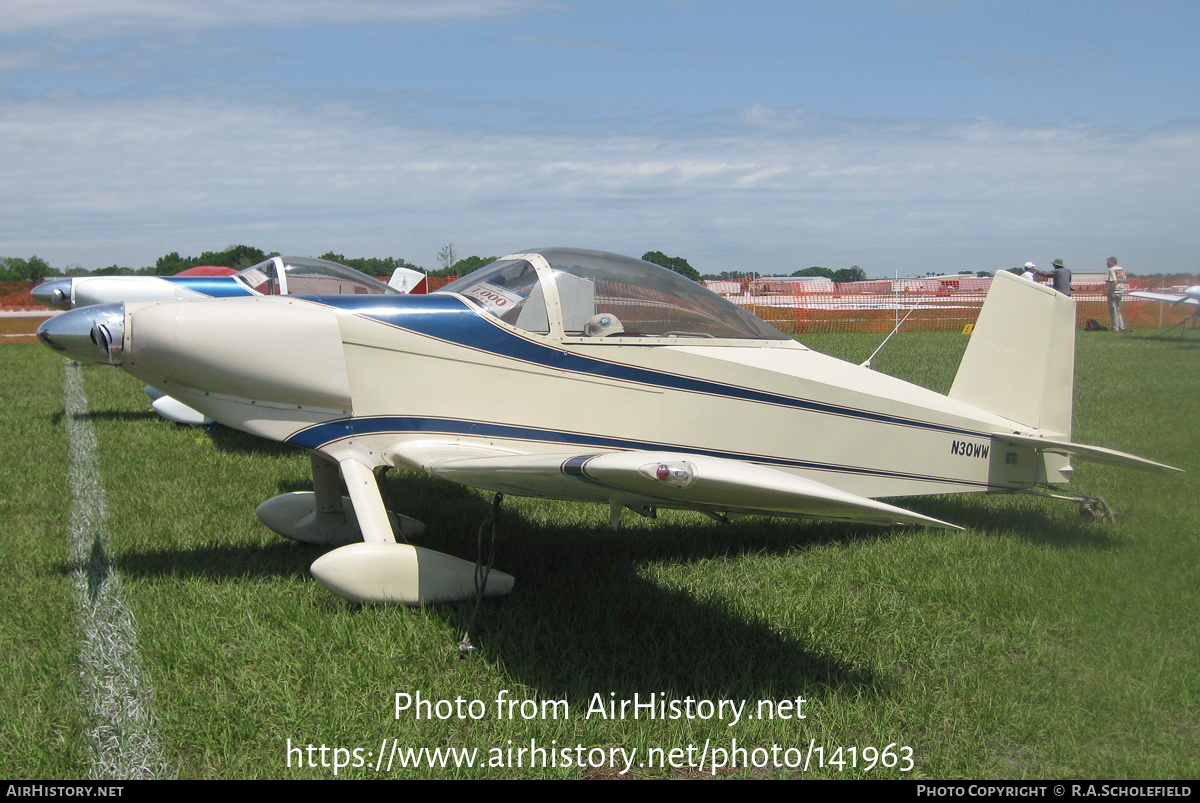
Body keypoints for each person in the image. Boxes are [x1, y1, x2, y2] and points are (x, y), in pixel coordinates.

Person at [1106, 256, 1128, 332]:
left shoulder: (1111, 270)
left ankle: (1115, 328)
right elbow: (1124, 280)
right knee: (1118, 310)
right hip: (1120, 290)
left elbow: (1114, 281)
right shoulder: (1121, 269)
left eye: (1108, 262)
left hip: (1114, 291)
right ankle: (1122, 327)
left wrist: (1112, 292)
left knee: (1113, 310)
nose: (1107, 264)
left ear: (1112, 262)